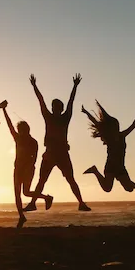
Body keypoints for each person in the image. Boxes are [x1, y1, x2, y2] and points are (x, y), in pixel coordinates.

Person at [27, 74, 91, 211]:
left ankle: (81, 203)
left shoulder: (65, 118)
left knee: (70, 179)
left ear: (60, 109)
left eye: (57, 107)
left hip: (61, 153)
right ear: (54, 108)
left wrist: (75, 86)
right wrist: (34, 86)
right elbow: (41, 101)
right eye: (54, 107)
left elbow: (71, 101)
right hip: (51, 153)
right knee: (42, 180)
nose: (55, 109)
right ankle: (33, 203)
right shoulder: (49, 117)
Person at [0, 100, 53, 228]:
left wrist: (29, 168)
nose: (21, 132)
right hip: (18, 168)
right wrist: (4, 110)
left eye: (23, 130)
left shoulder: (33, 141)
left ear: (27, 130)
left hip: (28, 169)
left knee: (26, 192)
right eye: (20, 130)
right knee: (18, 193)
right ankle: (21, 217)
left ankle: (46, 198)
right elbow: (9, 125)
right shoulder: (18, 138)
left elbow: (34, 158)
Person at [81, 101, 135, 193]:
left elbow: (133, 125)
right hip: (110, 166)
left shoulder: (122, 135)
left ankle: (127, 183)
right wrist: (86, 112)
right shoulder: (108, 137)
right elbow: (95, 122)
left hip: (120, 167)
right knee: (107, 189)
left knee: (129, 189)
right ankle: (94, 171)